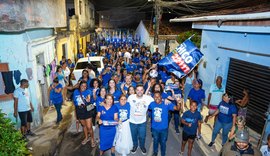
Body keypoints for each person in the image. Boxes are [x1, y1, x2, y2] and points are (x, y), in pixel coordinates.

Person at [149, 92, 181, 156]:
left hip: (164, 128)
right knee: (155, 141)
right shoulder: (151, 104)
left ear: (161, 97)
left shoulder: (167, 104)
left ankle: (163, 153)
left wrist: (179, 102)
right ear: (153, 98)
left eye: (158, 96)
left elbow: (177, 108)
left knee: (163, 142)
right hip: (154, 128)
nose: (157, 98)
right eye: (155, 97)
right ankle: (155, 152)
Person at [128, 84, 154, 155]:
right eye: (138, 90)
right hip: (132, 121)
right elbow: (126, 106)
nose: (139, 91)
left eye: (141, 90)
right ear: (135, 90)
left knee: (142, 136)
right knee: (133, 136)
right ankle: (135, 146)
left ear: (143, 91)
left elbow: (157, 101)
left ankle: (142, 146)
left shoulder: (148, 98)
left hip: (142, 122)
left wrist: (166, 100)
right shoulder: (131, 97)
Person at [73, 81, 96, 147]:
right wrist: (76, 115)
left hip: (86, 110)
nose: (83, 87)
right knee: (84, 126)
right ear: (79, 86)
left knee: (89, 126)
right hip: (79, 110)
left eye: (85, 86)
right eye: (82, 85)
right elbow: (74, 103)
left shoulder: (88, 91)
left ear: (87, 87)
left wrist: (88, 99)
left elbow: (89, 97)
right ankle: (86, 137)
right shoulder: (75, 92)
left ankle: (92, 139)